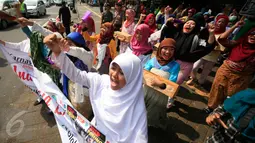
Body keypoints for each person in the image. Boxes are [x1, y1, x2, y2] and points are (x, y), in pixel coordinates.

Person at [47, 38, 148, 142]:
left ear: (132, 78)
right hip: (93, 135)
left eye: (122, 73)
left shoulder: (136, 105)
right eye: (113, 68)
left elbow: (140, 137)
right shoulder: (102, 82)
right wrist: (58, 52)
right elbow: (76, 75)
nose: (114, 75)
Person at [205, 23, 255, 113]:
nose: (254, 36)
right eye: (252, 34)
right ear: (247, 35)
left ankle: (222, 112)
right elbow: (222, 39)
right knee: (217, 89)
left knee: (232, 95)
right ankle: (211, 107)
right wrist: (235, 26)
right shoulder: (238, 43)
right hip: (225, 70)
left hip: (242, 77)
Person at [160, 18, 216, 84]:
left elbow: (207, 47)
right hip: (169, 62)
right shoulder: (176, 33)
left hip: (184, 67)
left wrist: (211, 34)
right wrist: (169, 22)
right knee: (161, 80)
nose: (189, 24)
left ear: (195, 28)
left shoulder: (197, 38)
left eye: (192, 24)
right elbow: (165, 32)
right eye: (187, 23)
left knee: (172, 85)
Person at [144, 38, 180, 129]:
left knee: (154, 111)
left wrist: (159, 84)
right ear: (160, 49)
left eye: (171, 49)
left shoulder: (175, 66)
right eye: (165, 48)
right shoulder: (152, 61)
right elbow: (144, 73)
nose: (168, 52)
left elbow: (172, 83)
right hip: (147, 91)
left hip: (160, 95)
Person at [187, 15, 229, 90]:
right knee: (194, 67)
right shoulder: (209, 30)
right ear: (216, 21)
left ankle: (200, 83)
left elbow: (223, 48)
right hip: (203, 54)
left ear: (226, 24)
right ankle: (193, 79)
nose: (220, 23)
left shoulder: (225, 34)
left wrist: (215, 46)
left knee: (206, 72)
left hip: (213, 56)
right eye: (219, 21)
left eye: (223, 22)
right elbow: (203, 40)